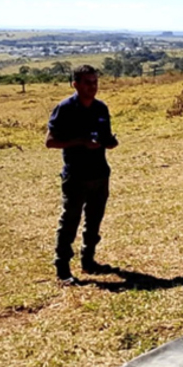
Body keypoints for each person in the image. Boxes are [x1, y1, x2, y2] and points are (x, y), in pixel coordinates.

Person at [45, 65, 119, 285]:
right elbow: (50, 142)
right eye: (87, 82)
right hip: (76, 176)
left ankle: (89, 261)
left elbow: (105, 136)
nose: (92, 87)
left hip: (99, 174)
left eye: (95, 82)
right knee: (70, 221)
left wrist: (110, 142)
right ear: (75, 84)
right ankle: (62, 268)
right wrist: (80, 142)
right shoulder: (65, 109)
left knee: (94, 220)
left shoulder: (100, 108)